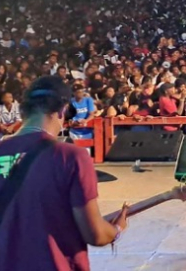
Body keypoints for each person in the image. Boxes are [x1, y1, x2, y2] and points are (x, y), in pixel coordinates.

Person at [0, 76, 128, 270]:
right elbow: (96, 235)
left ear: (24, 110)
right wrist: (117, 229)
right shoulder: (71, 156)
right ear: (61, 110)